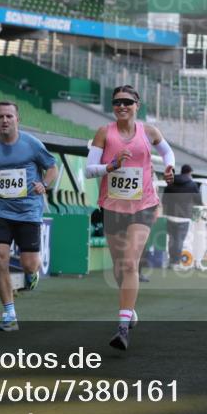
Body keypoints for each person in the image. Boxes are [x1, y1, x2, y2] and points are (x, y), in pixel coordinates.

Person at [85, 85, 175, 351]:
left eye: (127, 102)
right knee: (119, 268)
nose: (121, 106)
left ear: (137, 105)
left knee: (129, 263)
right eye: (116, 102)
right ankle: (130, 308)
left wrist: (169, 167)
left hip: (143, 205)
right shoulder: (104, 133)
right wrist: (111, 166)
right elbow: (90, 170)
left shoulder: (148, 132)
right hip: (112, 206)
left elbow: (167, 152)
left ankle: (122, 327)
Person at [0, 102, 58, 331]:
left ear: (17, 119)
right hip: (1, 211)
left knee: (29, 264)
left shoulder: (32, 145)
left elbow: (52, 167)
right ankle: (9, 313)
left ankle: (32, 274)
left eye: (9, 116)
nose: (5, 120)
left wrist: (45, 184)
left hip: (29, 211)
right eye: (0, 116)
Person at [162, 164, 203, 268]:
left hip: (170, 214)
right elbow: (198, 200)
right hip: (184, 216)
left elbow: (164, 199)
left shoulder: (171, 182)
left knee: (172, 239)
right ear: (190, 173)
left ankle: (171, 261)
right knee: (179, 240)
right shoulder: (192, 184)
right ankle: (175, 263)